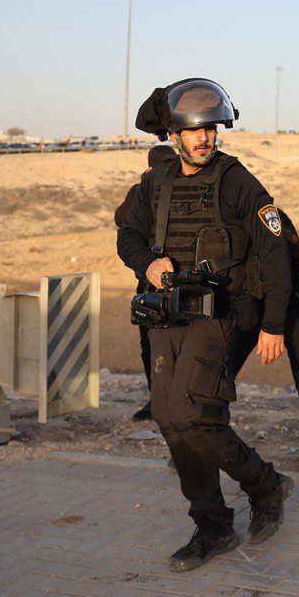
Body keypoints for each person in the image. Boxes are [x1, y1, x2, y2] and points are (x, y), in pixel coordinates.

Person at [117, 78, 296, 572]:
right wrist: (146, 265)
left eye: (211, 129)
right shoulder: (156, 183)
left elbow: (275, 252)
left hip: (223, 314)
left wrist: (274, 326)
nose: (205, 138)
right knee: (170, 420)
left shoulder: (238, 181)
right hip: (167, 311)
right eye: (194, 131)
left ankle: (265, 485)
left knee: (193, 414)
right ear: (173, 134)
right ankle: (213, 525)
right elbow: (128, 234)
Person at [231, 206, 299, 472]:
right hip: (255, 305)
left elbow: (284, 279)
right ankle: (205, 441)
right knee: (224, 370)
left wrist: (273, 328)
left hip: (292, 307)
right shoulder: (236, 222)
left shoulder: (275, 223)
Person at [114, 143, 178, 421]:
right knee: (147, 343)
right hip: (147, 280)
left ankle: (172, 401)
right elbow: (122, 219)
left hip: (175, 281)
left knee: (174, 344)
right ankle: (157, 400)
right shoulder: (143, 190)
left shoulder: (177, 188)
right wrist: (144, 183)